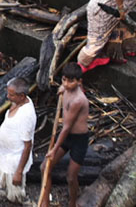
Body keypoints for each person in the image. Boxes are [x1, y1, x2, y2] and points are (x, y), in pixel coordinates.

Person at [40, 64, 90, 207]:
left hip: (79, 139)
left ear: (79, 81)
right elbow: (64, 88)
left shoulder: (79, 100)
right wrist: (62, 89)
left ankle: (72, 203)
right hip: (66, 137)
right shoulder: (66, 89)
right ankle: (45, 202)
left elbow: (66, 127)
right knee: (45, 168)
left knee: (71, 177)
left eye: (71, 81)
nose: (67, 84)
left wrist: (54, 149)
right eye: (64, 80)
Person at [0, 78, 36, 204]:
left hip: (15, 160)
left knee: (16, 195)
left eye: (11, 95)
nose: (8, 96)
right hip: (6, 155)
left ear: (22, 96)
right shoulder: (18, 103)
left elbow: (27, 145)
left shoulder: (27, 115)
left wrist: (19, 172)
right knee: (4, 187)